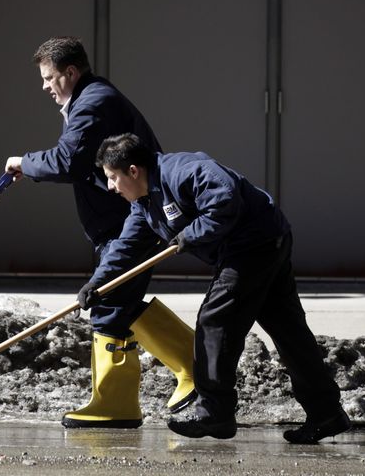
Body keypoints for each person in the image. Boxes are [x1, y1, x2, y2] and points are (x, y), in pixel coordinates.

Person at [89, 132, 351, 443]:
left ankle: (215, 412)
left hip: (254, 242)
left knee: (215, 320)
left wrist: (191, 233)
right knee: (287, 329)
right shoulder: (144, 204)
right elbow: (127, 247)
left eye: (112, 178)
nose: (110, 187)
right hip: (262, 241)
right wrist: (98, 283)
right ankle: (326, 412)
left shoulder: (184, 170)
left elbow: (225, 198)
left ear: (133, 170)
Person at [5, 37, 196, 429]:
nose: (45, 86)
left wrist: (25, 162)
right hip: (122, 223)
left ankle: (148, 389)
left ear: (70, 72)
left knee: (108, 304)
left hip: (133, 223)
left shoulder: (93, 103)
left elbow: (68, 160)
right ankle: (176, 375)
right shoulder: (89, 100)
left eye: (49, 77)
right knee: (119, 305)